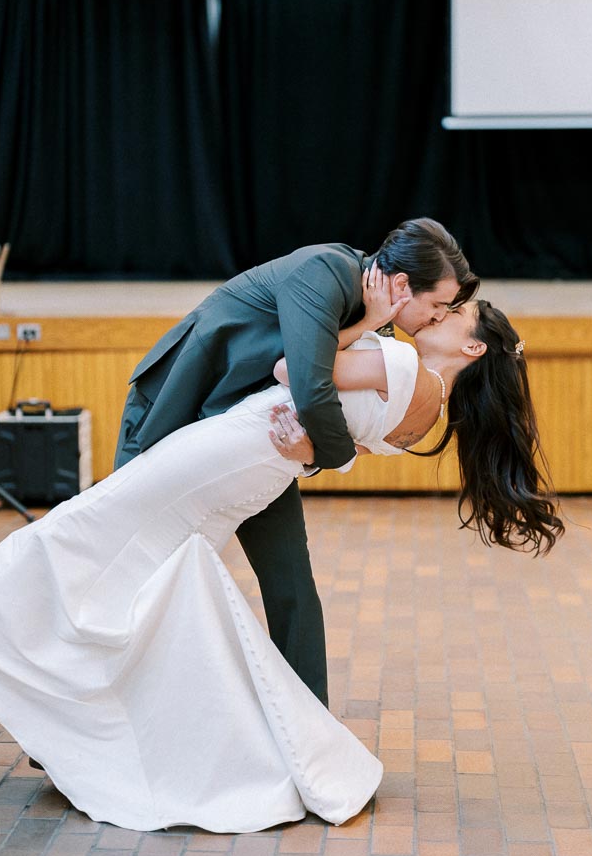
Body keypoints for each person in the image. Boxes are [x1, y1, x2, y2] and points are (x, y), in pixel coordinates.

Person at [0, 277, 561, 835]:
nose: (437, 315)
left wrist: (371, 322)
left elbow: (291, 371)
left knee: (93, 521)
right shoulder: (427, 419)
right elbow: (348, 439)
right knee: (147, 569)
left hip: (232, 450)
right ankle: (90, 710)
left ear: (471, 347)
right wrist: (313, 437)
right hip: (257, 472)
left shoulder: (406, 367)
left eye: (453, 316)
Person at [114, 218, 479, 706]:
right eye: (436, 306)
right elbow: (309, 387)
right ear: (399, 285)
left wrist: (369, 327)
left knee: (290, 583)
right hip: (172, 407)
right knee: (127, 570)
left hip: (252, 449)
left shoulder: (375, 315)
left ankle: (312, 735)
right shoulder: (324, 271)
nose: (436, 319)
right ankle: (66, 731)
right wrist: (333, 457)